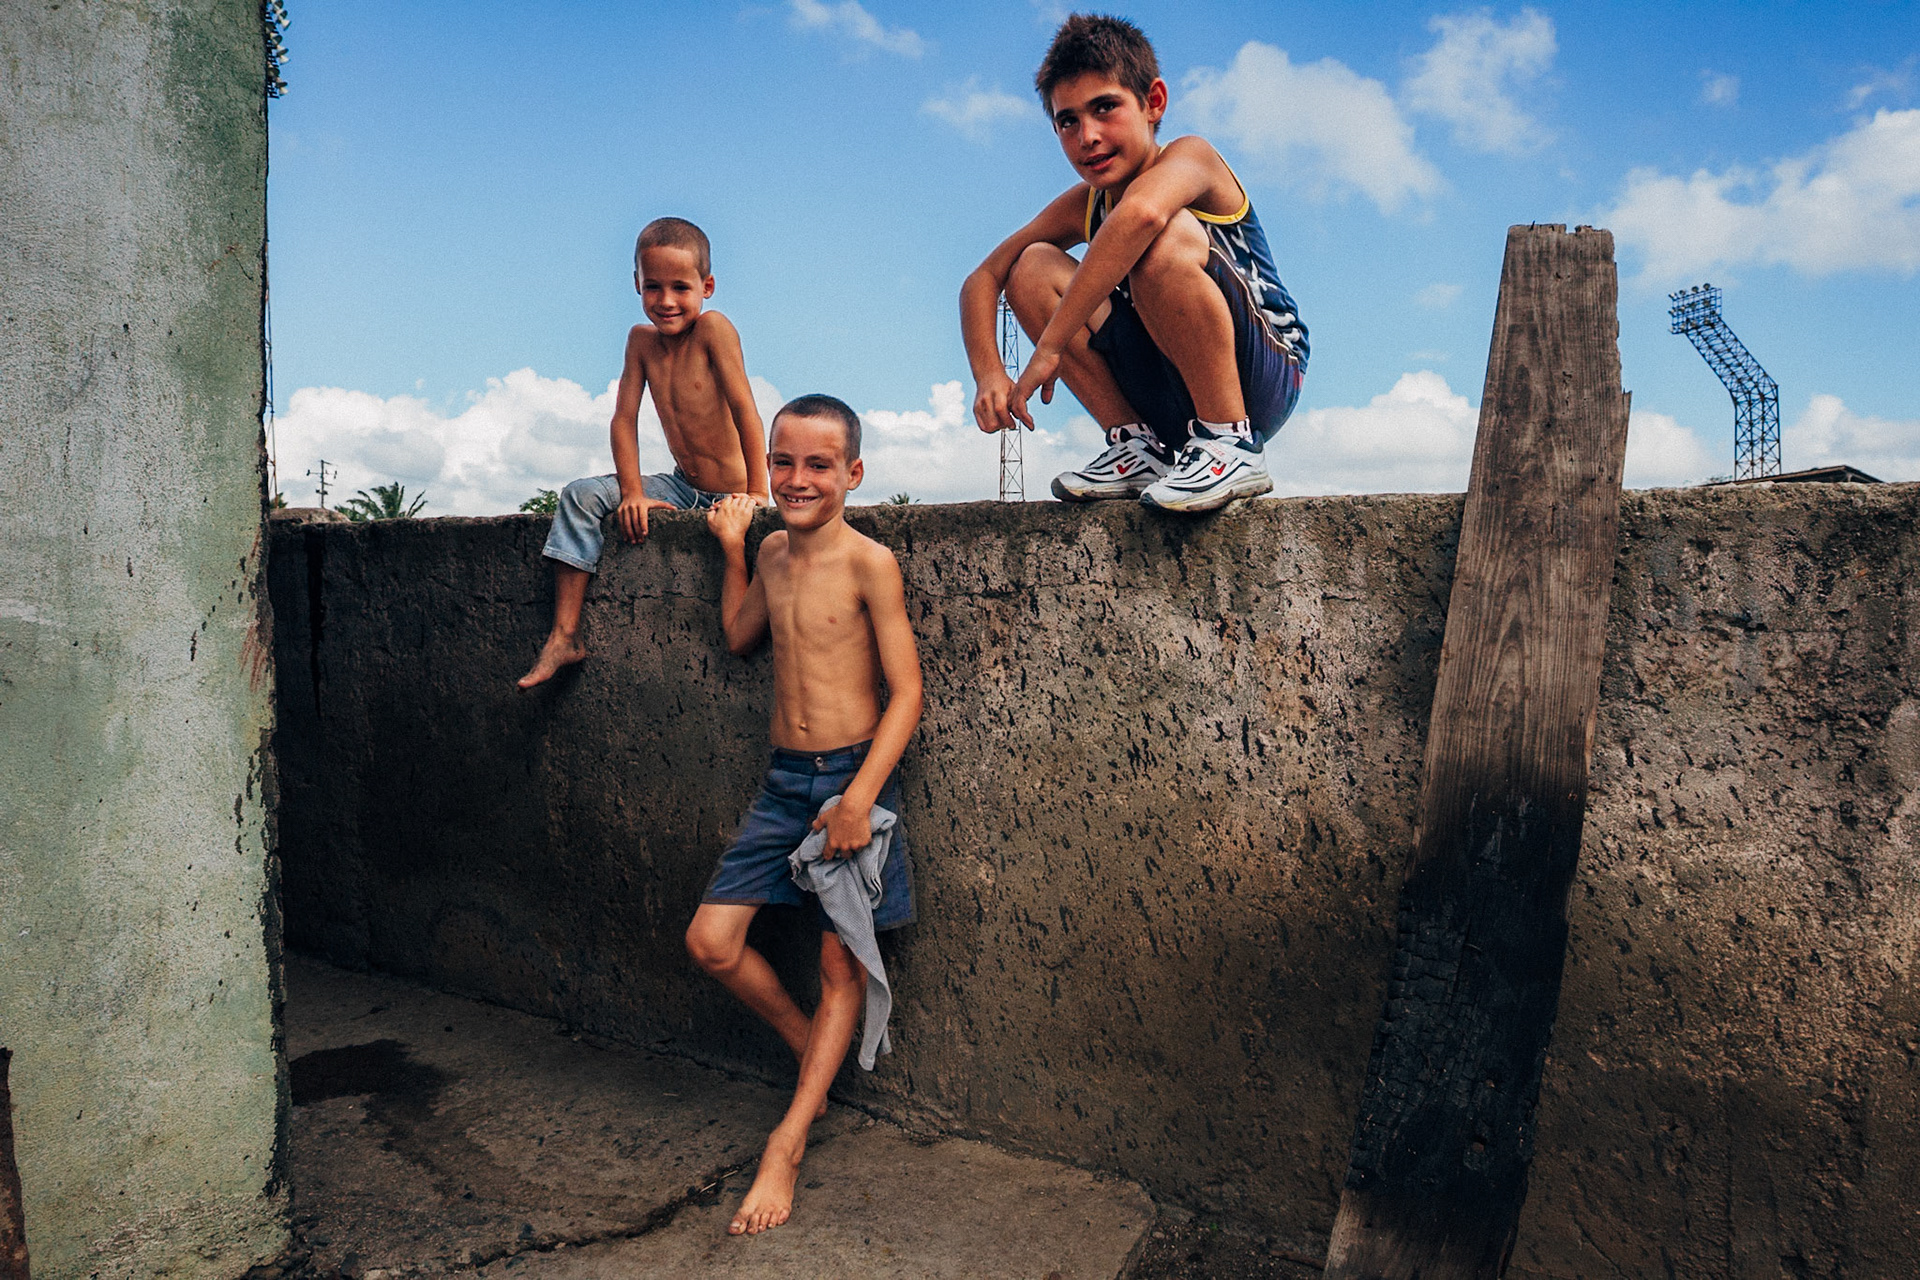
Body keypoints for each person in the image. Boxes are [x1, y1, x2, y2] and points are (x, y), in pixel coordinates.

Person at [686, 394, 924, 1236]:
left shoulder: (870, 562)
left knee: (840, 969)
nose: (796, 478)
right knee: (711, 942)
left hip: (853, 782)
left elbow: (909, 693)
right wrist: (731, 550)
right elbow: (740, 635)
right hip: (786, 782)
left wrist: (860, 800)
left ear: (852, 474)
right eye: (782, 462)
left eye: (818, 464)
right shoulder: (776, 555)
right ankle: (804, 1055)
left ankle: (786, 1142)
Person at [961, 13, 1309, 513]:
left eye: (1105, 108)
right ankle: (1137, 446)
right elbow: (983, 276)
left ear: (1153, 103)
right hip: (1169, 387)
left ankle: (1231, 444)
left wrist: (1049, 347)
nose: (1088, 136)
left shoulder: (1191, 157)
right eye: (1068, 121)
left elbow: (1143, 214)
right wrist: (989, 373)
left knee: (1157, 237)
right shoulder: (1086, 202)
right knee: (1031, 265)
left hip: (1262, 377)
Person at [517, 217, 770, 688]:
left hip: (730, 492)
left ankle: (746, 493)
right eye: (653, 287)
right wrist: (632, 492)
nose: (666, 301)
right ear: (636, 284)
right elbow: (623, 420)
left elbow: (745, 411)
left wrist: (758, 492)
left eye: (680, 287)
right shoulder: (641, 342)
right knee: (580, 495)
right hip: (681, 486)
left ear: (707, 286)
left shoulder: (713, 329)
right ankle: (564, 635)